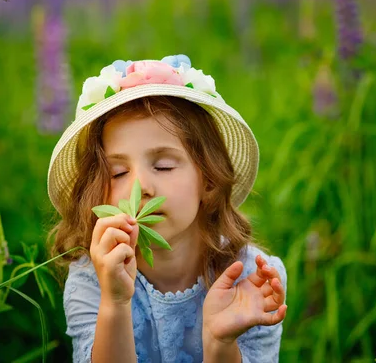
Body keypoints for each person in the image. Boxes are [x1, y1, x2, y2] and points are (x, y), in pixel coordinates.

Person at [47, 55, 288, 363]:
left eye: (163, 165)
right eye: (118, 173)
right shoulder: (93, 278)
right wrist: (115, 303)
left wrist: (219, 342)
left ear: (209, 180)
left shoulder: (252, 278)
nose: (141, 186)